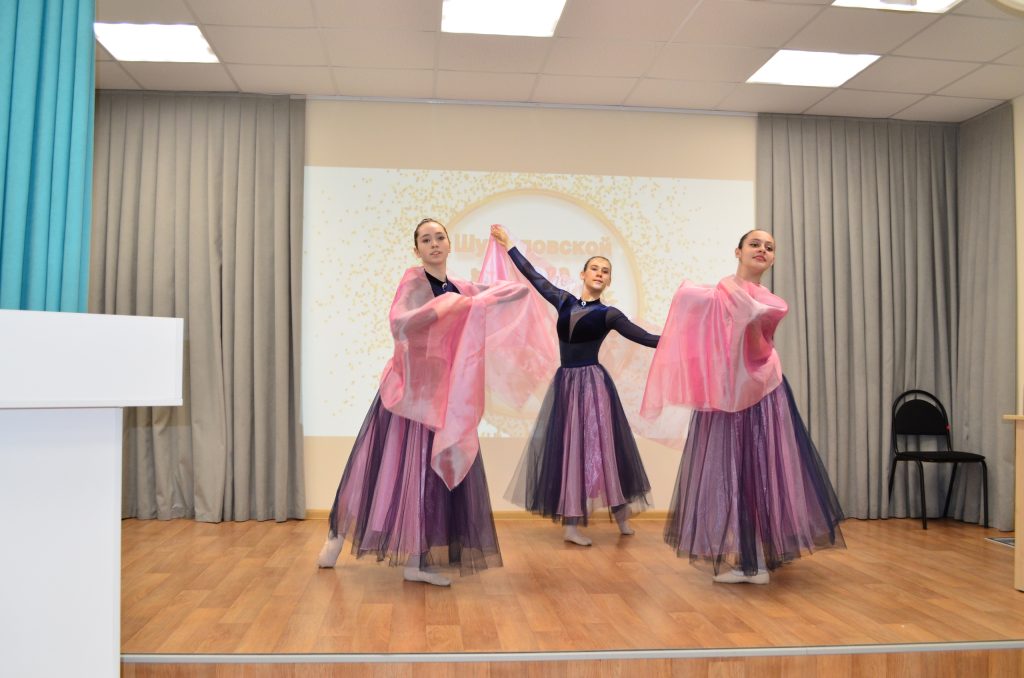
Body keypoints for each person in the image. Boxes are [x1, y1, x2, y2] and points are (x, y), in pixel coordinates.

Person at [316, 218, 531, 586]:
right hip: (408, 395)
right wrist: (448, 306)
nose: (434, 244)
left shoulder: (460, 287)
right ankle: (336, 537)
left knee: (427, 478)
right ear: (416, 250)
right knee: (382, 473)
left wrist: (481, 288)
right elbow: (399, 323)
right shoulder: (414, 281)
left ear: (449, 243)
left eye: (440, 237)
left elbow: (514, 292)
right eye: (426, 240)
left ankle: (415, 561)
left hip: (441, 398)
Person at [642, 229, 845, 584]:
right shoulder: (715, 294)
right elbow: (690, 313)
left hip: (761, 392)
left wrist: (724, 292)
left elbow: (754, 331)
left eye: (769, 247)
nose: (762, 249)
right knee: (731, 474)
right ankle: (748, 559)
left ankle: (756, 563)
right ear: (738, 251)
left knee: (759, 472)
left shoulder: (772, 302)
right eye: (755, 244)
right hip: (724, 397)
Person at [490, 224, 658, 546]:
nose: (599, 273)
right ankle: (571, 525)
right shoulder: (563, 300)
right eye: (594, 268)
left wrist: (683, 337)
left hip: (593, 385)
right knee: (571, 450)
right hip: (566, 384)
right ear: (582, 274)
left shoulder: (609, 314)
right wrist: (509, 244)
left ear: (608, 281)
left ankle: (621, 514)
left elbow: (645, 338)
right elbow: (532, 275)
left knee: (603, 448)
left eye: (605, 271)